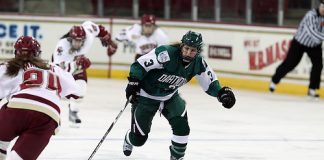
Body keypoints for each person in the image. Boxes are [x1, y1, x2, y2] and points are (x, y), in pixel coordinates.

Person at [122, 31, 236, 160]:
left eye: (192, 50)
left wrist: (221, 93)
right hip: (146, 96)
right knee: (138, 140)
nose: (188, 53)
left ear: (198, 51)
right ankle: (129, 138)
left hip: (170, 97)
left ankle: (177, 158)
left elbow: (210, 83)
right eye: (186, 48)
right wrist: (133, 81)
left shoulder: (198, 63)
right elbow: (140, 64)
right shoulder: (165, 53)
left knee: (182, 128)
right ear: (182, 46)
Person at [0, 36, 83, 160]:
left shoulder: (8, 66)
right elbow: (76, 93)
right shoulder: (53, 67)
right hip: (49, 115)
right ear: (37, 53)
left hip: (18, 107)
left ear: (16, 52)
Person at [52, 21, 117, 124]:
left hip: (78, 63)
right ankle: (53, 114)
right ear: (70, 39)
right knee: (56, 92)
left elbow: (99, 28)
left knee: (80, 91)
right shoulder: (61, 46)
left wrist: (109, 41)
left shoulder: (89, 34)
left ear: (84, 39)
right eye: (75, 41)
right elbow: (57, 69)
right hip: (63, 65)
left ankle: (73, 111)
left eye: (80, 41)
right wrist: (75, 65)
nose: (78, 44)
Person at [269, 0, 324, 98]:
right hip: (300, 43)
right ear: (319, 6)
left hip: (315, 45)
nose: (323, 9)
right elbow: (312, 33)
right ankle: (274, 80)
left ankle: (312, 89)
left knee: (318, 65)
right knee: (290, 64)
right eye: (323, 7)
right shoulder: (310, 15)